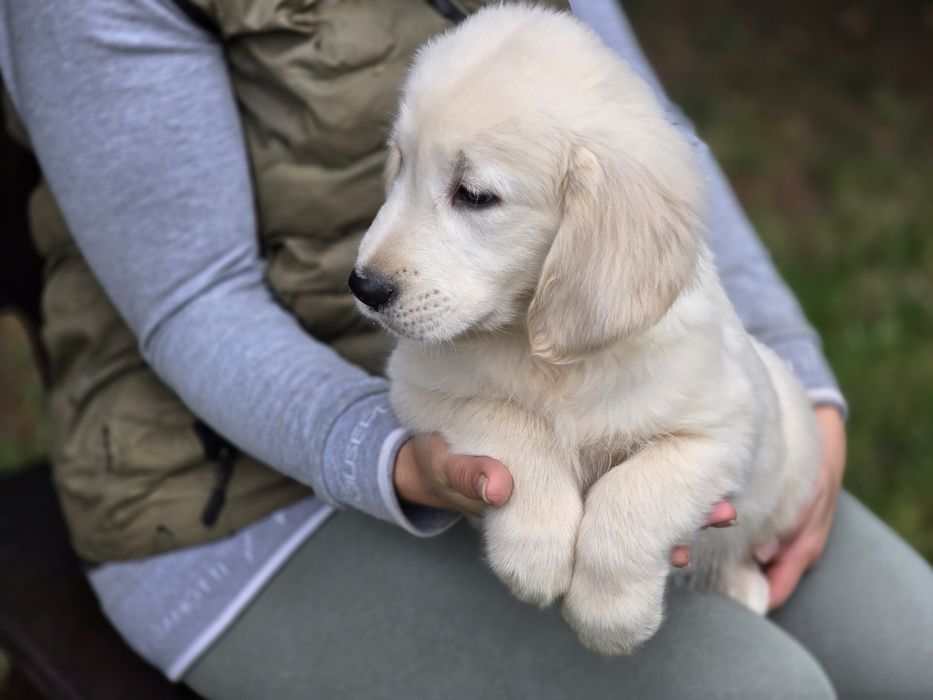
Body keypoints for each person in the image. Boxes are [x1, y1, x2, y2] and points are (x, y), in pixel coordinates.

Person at [1, 0, 930, 697]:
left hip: (573, 369)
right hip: (223, 495)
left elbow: (643, 144)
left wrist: (793, 378)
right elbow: (193, 303)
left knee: (915, 656)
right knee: (764, 690)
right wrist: (392, 456)